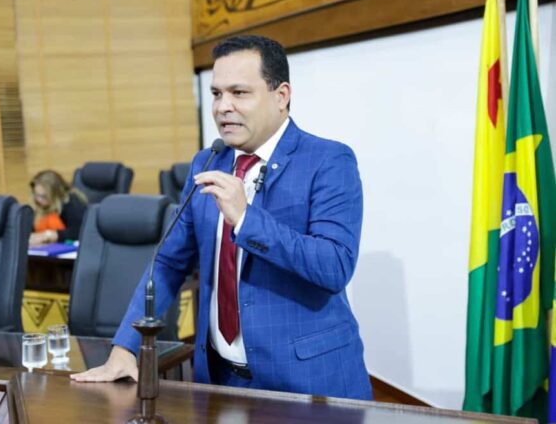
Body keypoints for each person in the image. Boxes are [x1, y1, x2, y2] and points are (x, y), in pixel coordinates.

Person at [71, 35, 372, 400]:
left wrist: (246, 218)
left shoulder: (328, 161)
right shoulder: (208, 161)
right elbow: (168, 262)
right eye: (216, 94)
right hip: (219, 380)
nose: (223, 107)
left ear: (281, 96)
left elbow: (334, 265)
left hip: (307, 383)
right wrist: (126, 347)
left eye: (239, 93)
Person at [28, 170, 87, 245]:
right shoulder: (38, 206)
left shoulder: (72, 204)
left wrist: (51, 235)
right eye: (36, 195)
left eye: (44, 197)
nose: (39, 200)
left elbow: (78, 232)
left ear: (56, 194)